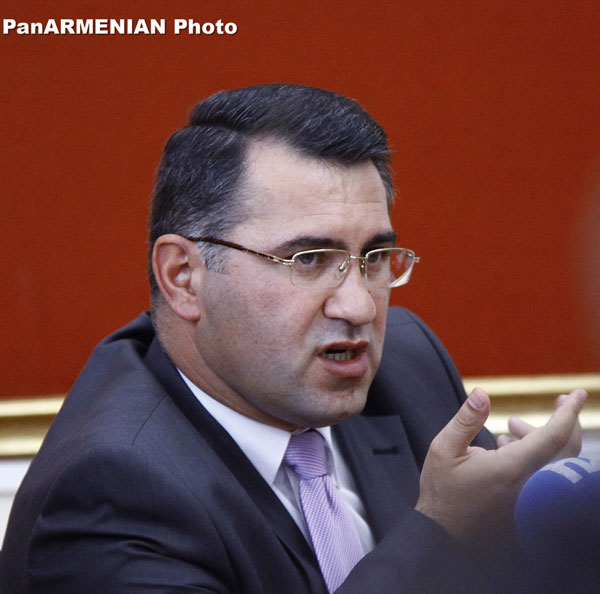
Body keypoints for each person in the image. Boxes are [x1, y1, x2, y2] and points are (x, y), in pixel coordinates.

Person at [0, 84, 586, 594]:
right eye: (308, 260)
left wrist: (543, 527)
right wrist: (443, 530)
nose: (359, 306)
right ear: (183, 277)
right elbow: (452, 534)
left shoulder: (406, 364)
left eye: (374, 258)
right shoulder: (108, 495)